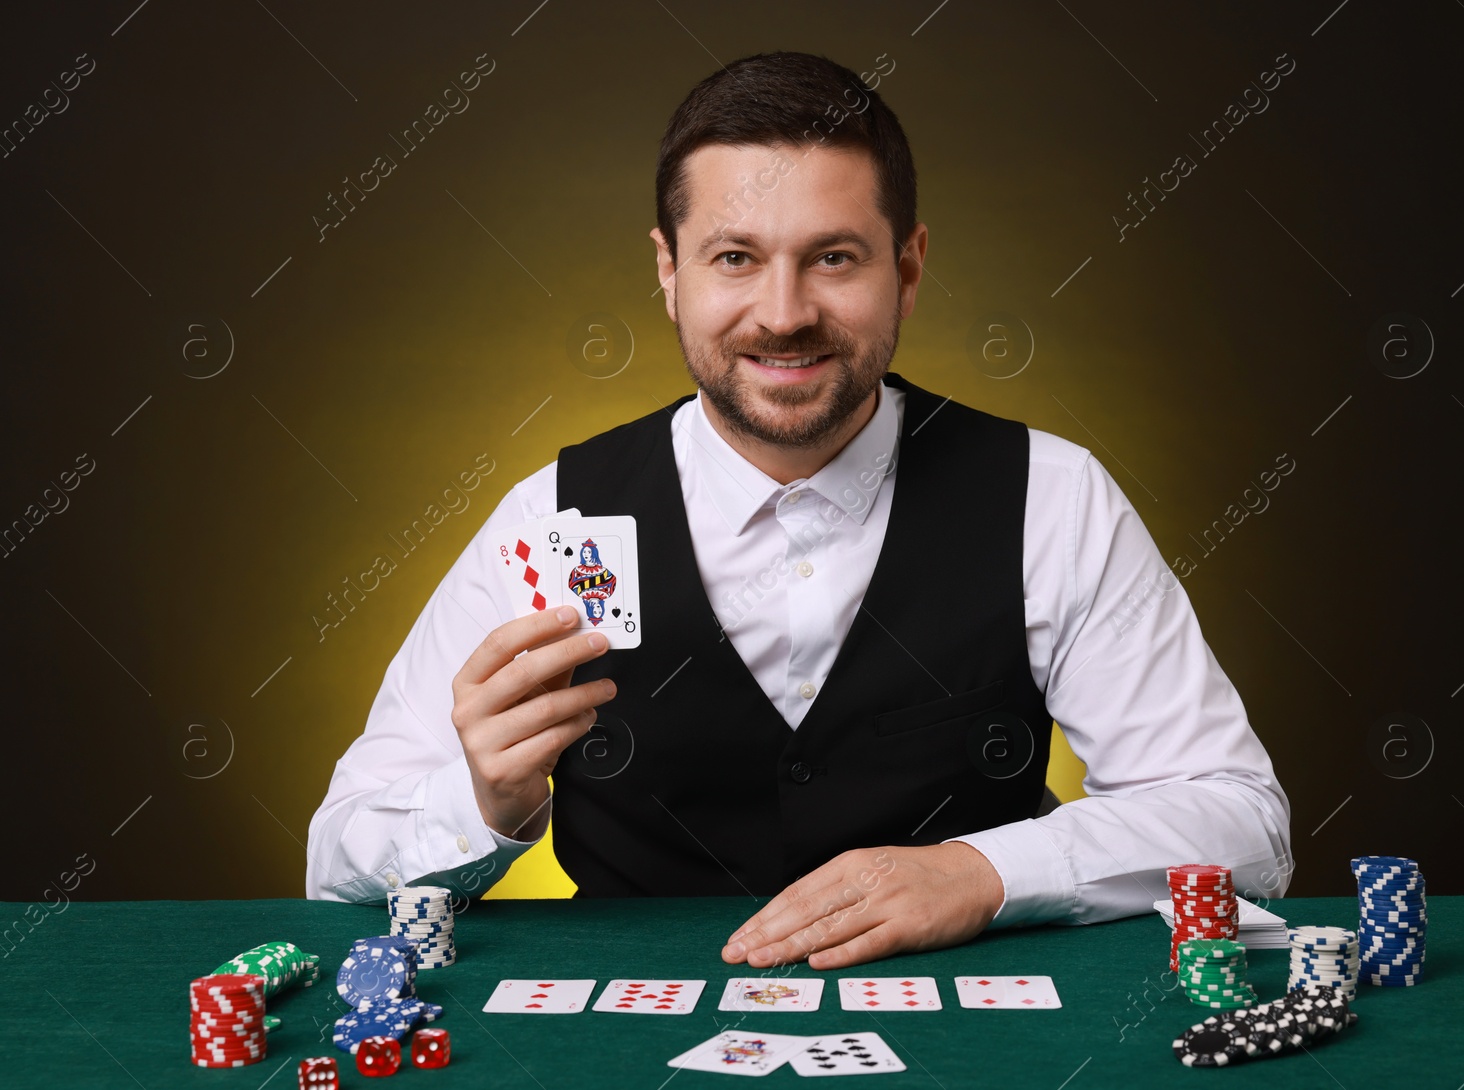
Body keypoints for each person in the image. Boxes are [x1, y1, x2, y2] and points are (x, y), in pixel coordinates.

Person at [307, 51, 1291, 971]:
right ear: (668, 270)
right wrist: (483, 804)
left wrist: (984, 872)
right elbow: (337, 859)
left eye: (832, 258)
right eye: (734, 257)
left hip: (971, 1038)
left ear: (906, 267)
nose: (782, 313)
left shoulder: (1052, 495)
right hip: (622, 1040)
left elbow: (1240, 822)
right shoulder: (554, 515)